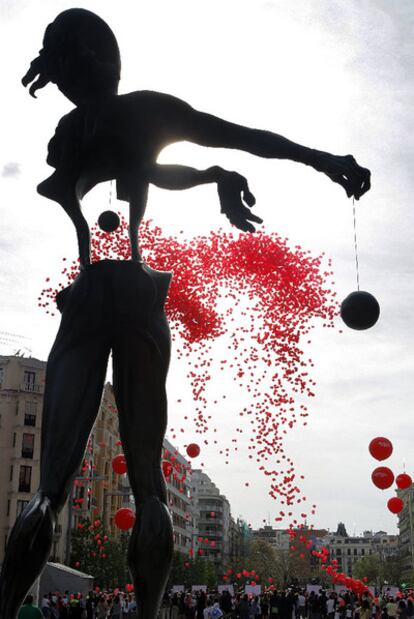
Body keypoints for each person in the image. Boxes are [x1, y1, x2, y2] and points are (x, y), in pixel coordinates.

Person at [0, 8, 371, 619]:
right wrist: (320, 162)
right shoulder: (149, 109)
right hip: (142, 294)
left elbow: (104, 176)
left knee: (48, 488)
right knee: (148, 483)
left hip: (87, 293)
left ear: (63, 70)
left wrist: (211, 176)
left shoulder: (67, 132)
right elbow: (239, 138)